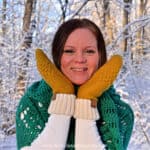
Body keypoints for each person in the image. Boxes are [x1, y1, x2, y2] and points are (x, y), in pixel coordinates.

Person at [16, 18, 134, 150]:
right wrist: (63, 98)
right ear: (57, 55)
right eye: (69, 51)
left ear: (100, 56)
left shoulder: (121, 113)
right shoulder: (32, 103)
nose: (79, 59)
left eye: (89, 51)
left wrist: (87, 100)